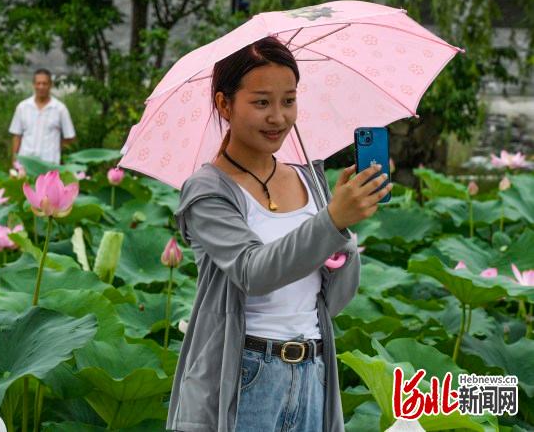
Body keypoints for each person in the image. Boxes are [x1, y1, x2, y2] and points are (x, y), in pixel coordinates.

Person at [166, 37, 391, 432]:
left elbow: (334, 299)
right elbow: (254, 272)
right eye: (261, 102)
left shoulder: (310, 179)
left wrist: (343, 238)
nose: (278, 117)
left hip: (313, 370)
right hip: (245, 372)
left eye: (288, 101)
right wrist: (331, 222)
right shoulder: (208, 191)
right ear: (224, 104)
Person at [8, 68, 76, 165]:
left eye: (44, 83)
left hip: (49, 164)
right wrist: (14, 162)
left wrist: (55, 148)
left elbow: (70, 137)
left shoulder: (60, 109)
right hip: (26, 163)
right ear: (33, 85)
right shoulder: (22, 107)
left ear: (50, 85)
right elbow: (16, 136)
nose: (41, 87)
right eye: (38, 83)